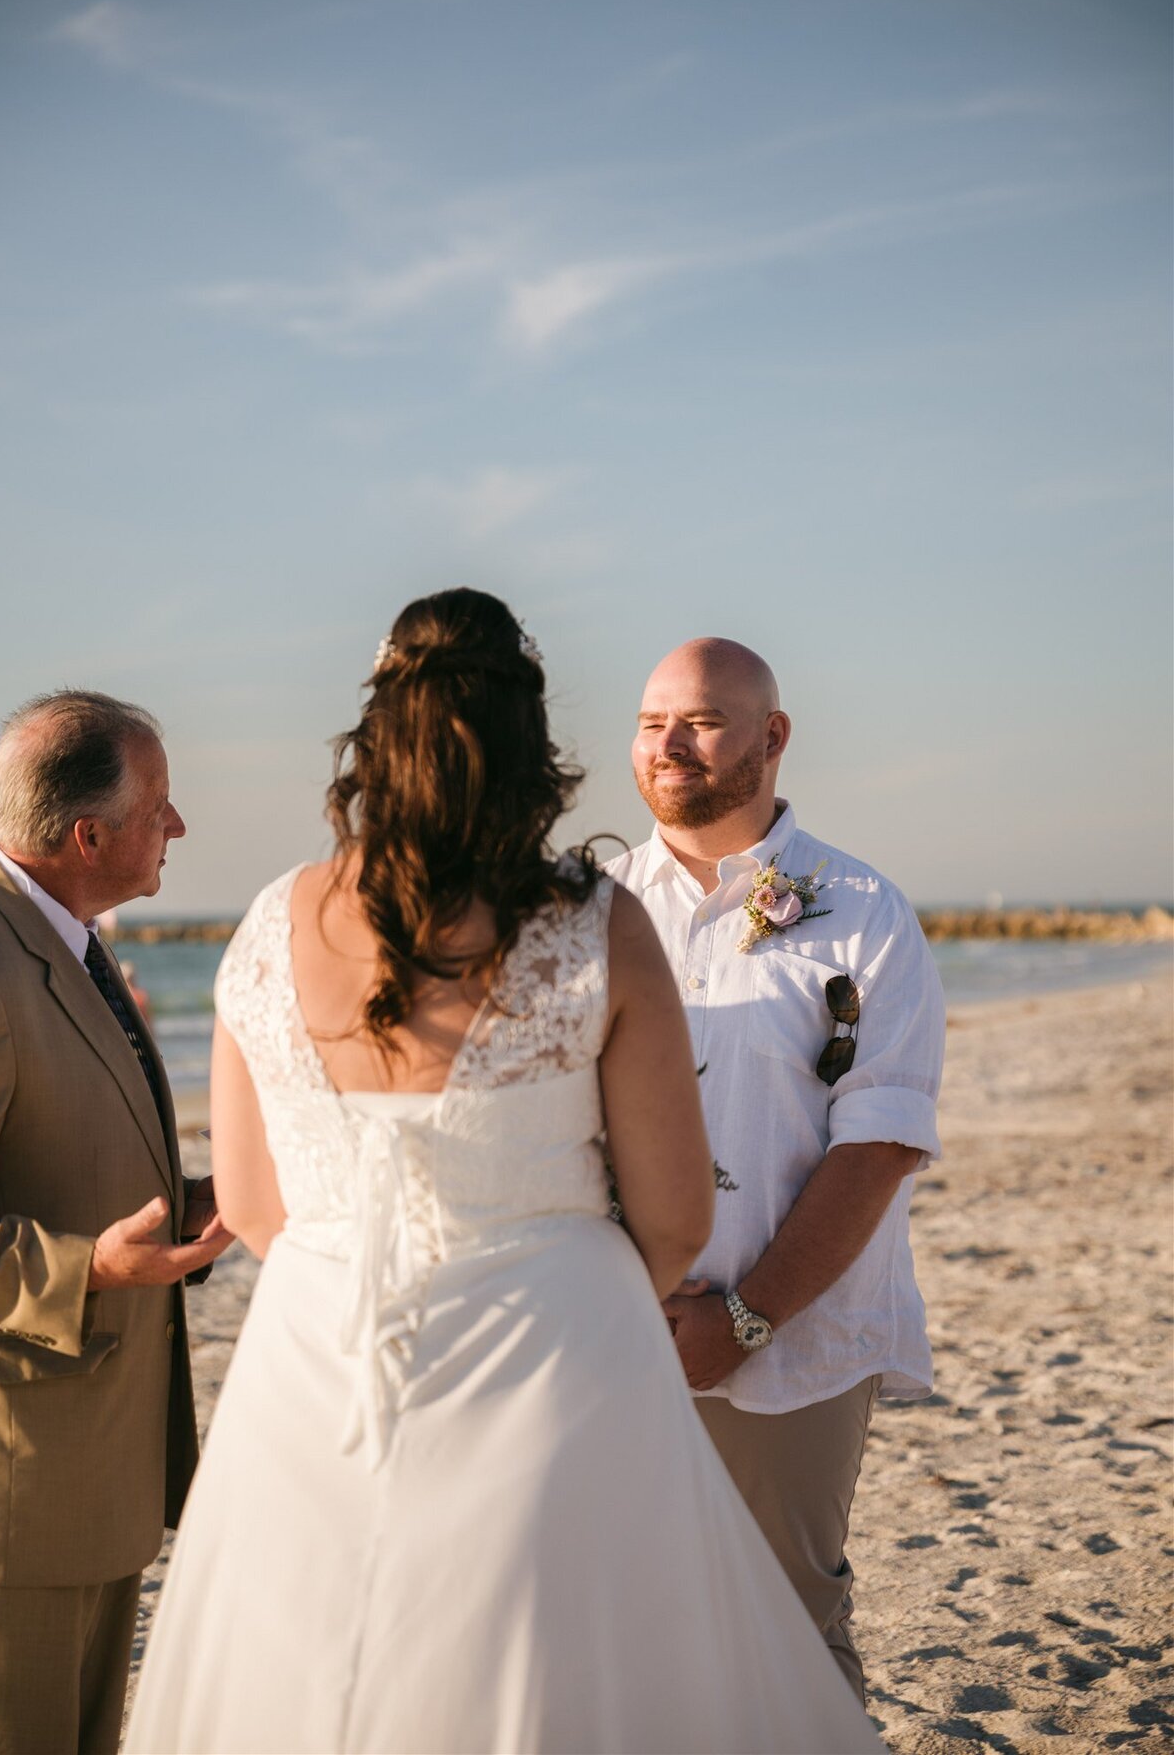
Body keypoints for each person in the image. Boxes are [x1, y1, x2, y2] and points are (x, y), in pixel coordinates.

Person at [125, 590, 881, 1755]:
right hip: (551, 1358)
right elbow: (675, 1220)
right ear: (532, 746)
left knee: (319, 1680)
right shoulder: (592, 921)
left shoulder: (270, 923)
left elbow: (258, 1207)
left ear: (373, 739)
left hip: (316, 1365)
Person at [608, 637, 945, 1702]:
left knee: (787, 1632)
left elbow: (878, 1144)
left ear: (773, 737)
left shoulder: (864, 912)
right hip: (615, 1341)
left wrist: (745, 1320)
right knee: (626, 1634)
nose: (670, 743)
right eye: (654, 719)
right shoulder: (587, 911)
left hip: (795, 1347)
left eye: (701, 721)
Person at [0, 690, 232, 1755]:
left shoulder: (69, 943)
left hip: (97, 1480)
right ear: (89, 835)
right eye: (160, 805)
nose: (178, 827)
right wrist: (90, 1268)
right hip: (15, 1495)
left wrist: (195, 1207)